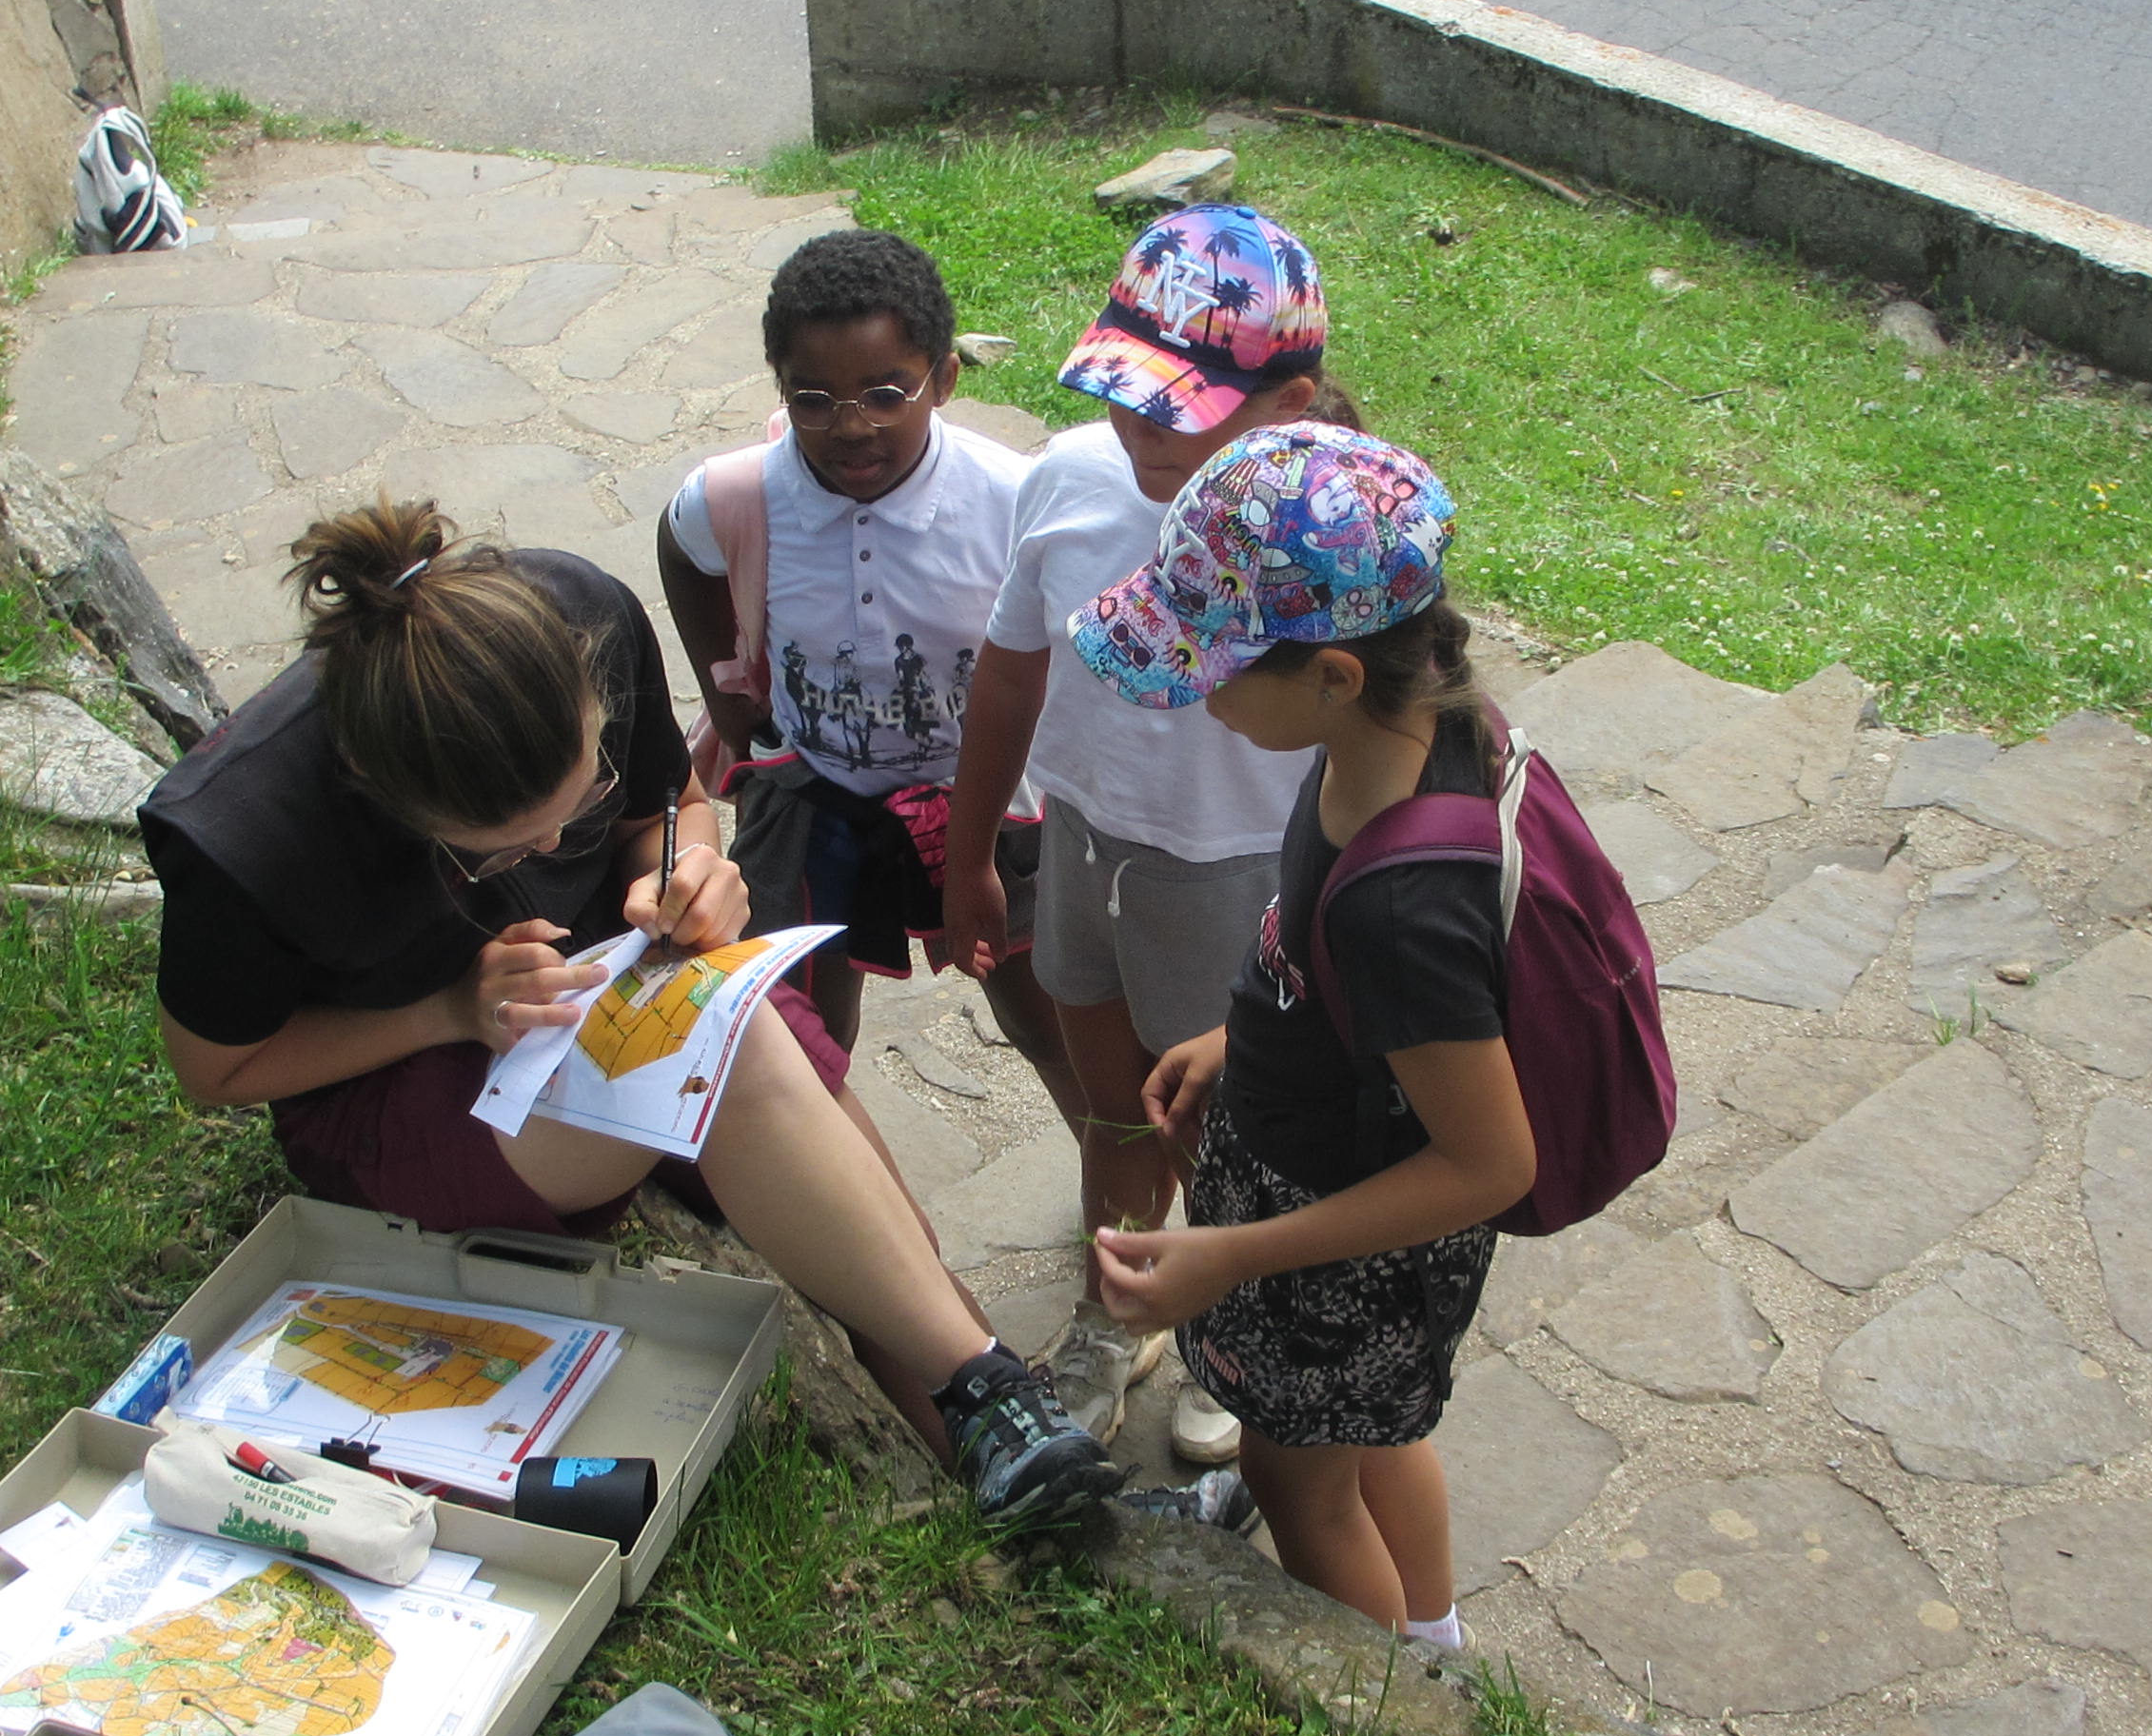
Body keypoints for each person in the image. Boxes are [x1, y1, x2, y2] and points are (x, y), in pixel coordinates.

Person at [138, 502, 1122, 1526]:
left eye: (582, 798)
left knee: (879, 1235)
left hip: (608, 984)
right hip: (408, 1075)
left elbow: (671, 808)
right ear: (390, 808)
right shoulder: (244, 832)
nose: (555, 849)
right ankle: (992, 1397)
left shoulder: (581, 614)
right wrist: (448, 1011)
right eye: (508, 851)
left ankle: (1000, 1446)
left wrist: (682, 873)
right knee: (741, 1065)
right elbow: (217, 1068)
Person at [1075, 427, 1530, 1644]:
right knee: (1372, 1441)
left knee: (1298, 1483)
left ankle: (1383, 1702)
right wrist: (1239, 1036)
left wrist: (1235, 1255)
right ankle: (1430, 1639)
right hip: (1312, 1175)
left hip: (1339, 1246)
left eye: (1214, 671)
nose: (1202, 698)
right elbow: (1333, 947)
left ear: (1332, 674)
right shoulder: (1414, 724)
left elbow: (1491, 1163)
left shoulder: (1405, 906)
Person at [940, 206, 1342, 1457]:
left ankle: (1236, 1322)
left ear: (1290, 403)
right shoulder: (1069, 478)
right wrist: (969, 852)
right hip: (1082, 843)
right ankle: (1119, 1310)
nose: (1136, 429)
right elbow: (1010, 668)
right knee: (1113, 1107)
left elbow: (1376, 745)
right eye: (1123, 393)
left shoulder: (1328, 533)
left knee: (1235, 1125)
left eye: (1176, 408)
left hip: (1241, 874)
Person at [654, 230, 1077, 1148]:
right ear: (781, 389)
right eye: (814, 399)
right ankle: (827, 1184)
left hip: (991, 806)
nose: (852, 427)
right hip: (817, 791)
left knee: (1049, 1021)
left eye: (888, 393)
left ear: (945, 379)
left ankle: (1117, 1196)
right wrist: (727, 694)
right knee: (799, 1031)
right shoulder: (740, 496)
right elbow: (681, 546)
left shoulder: (1012, 500)